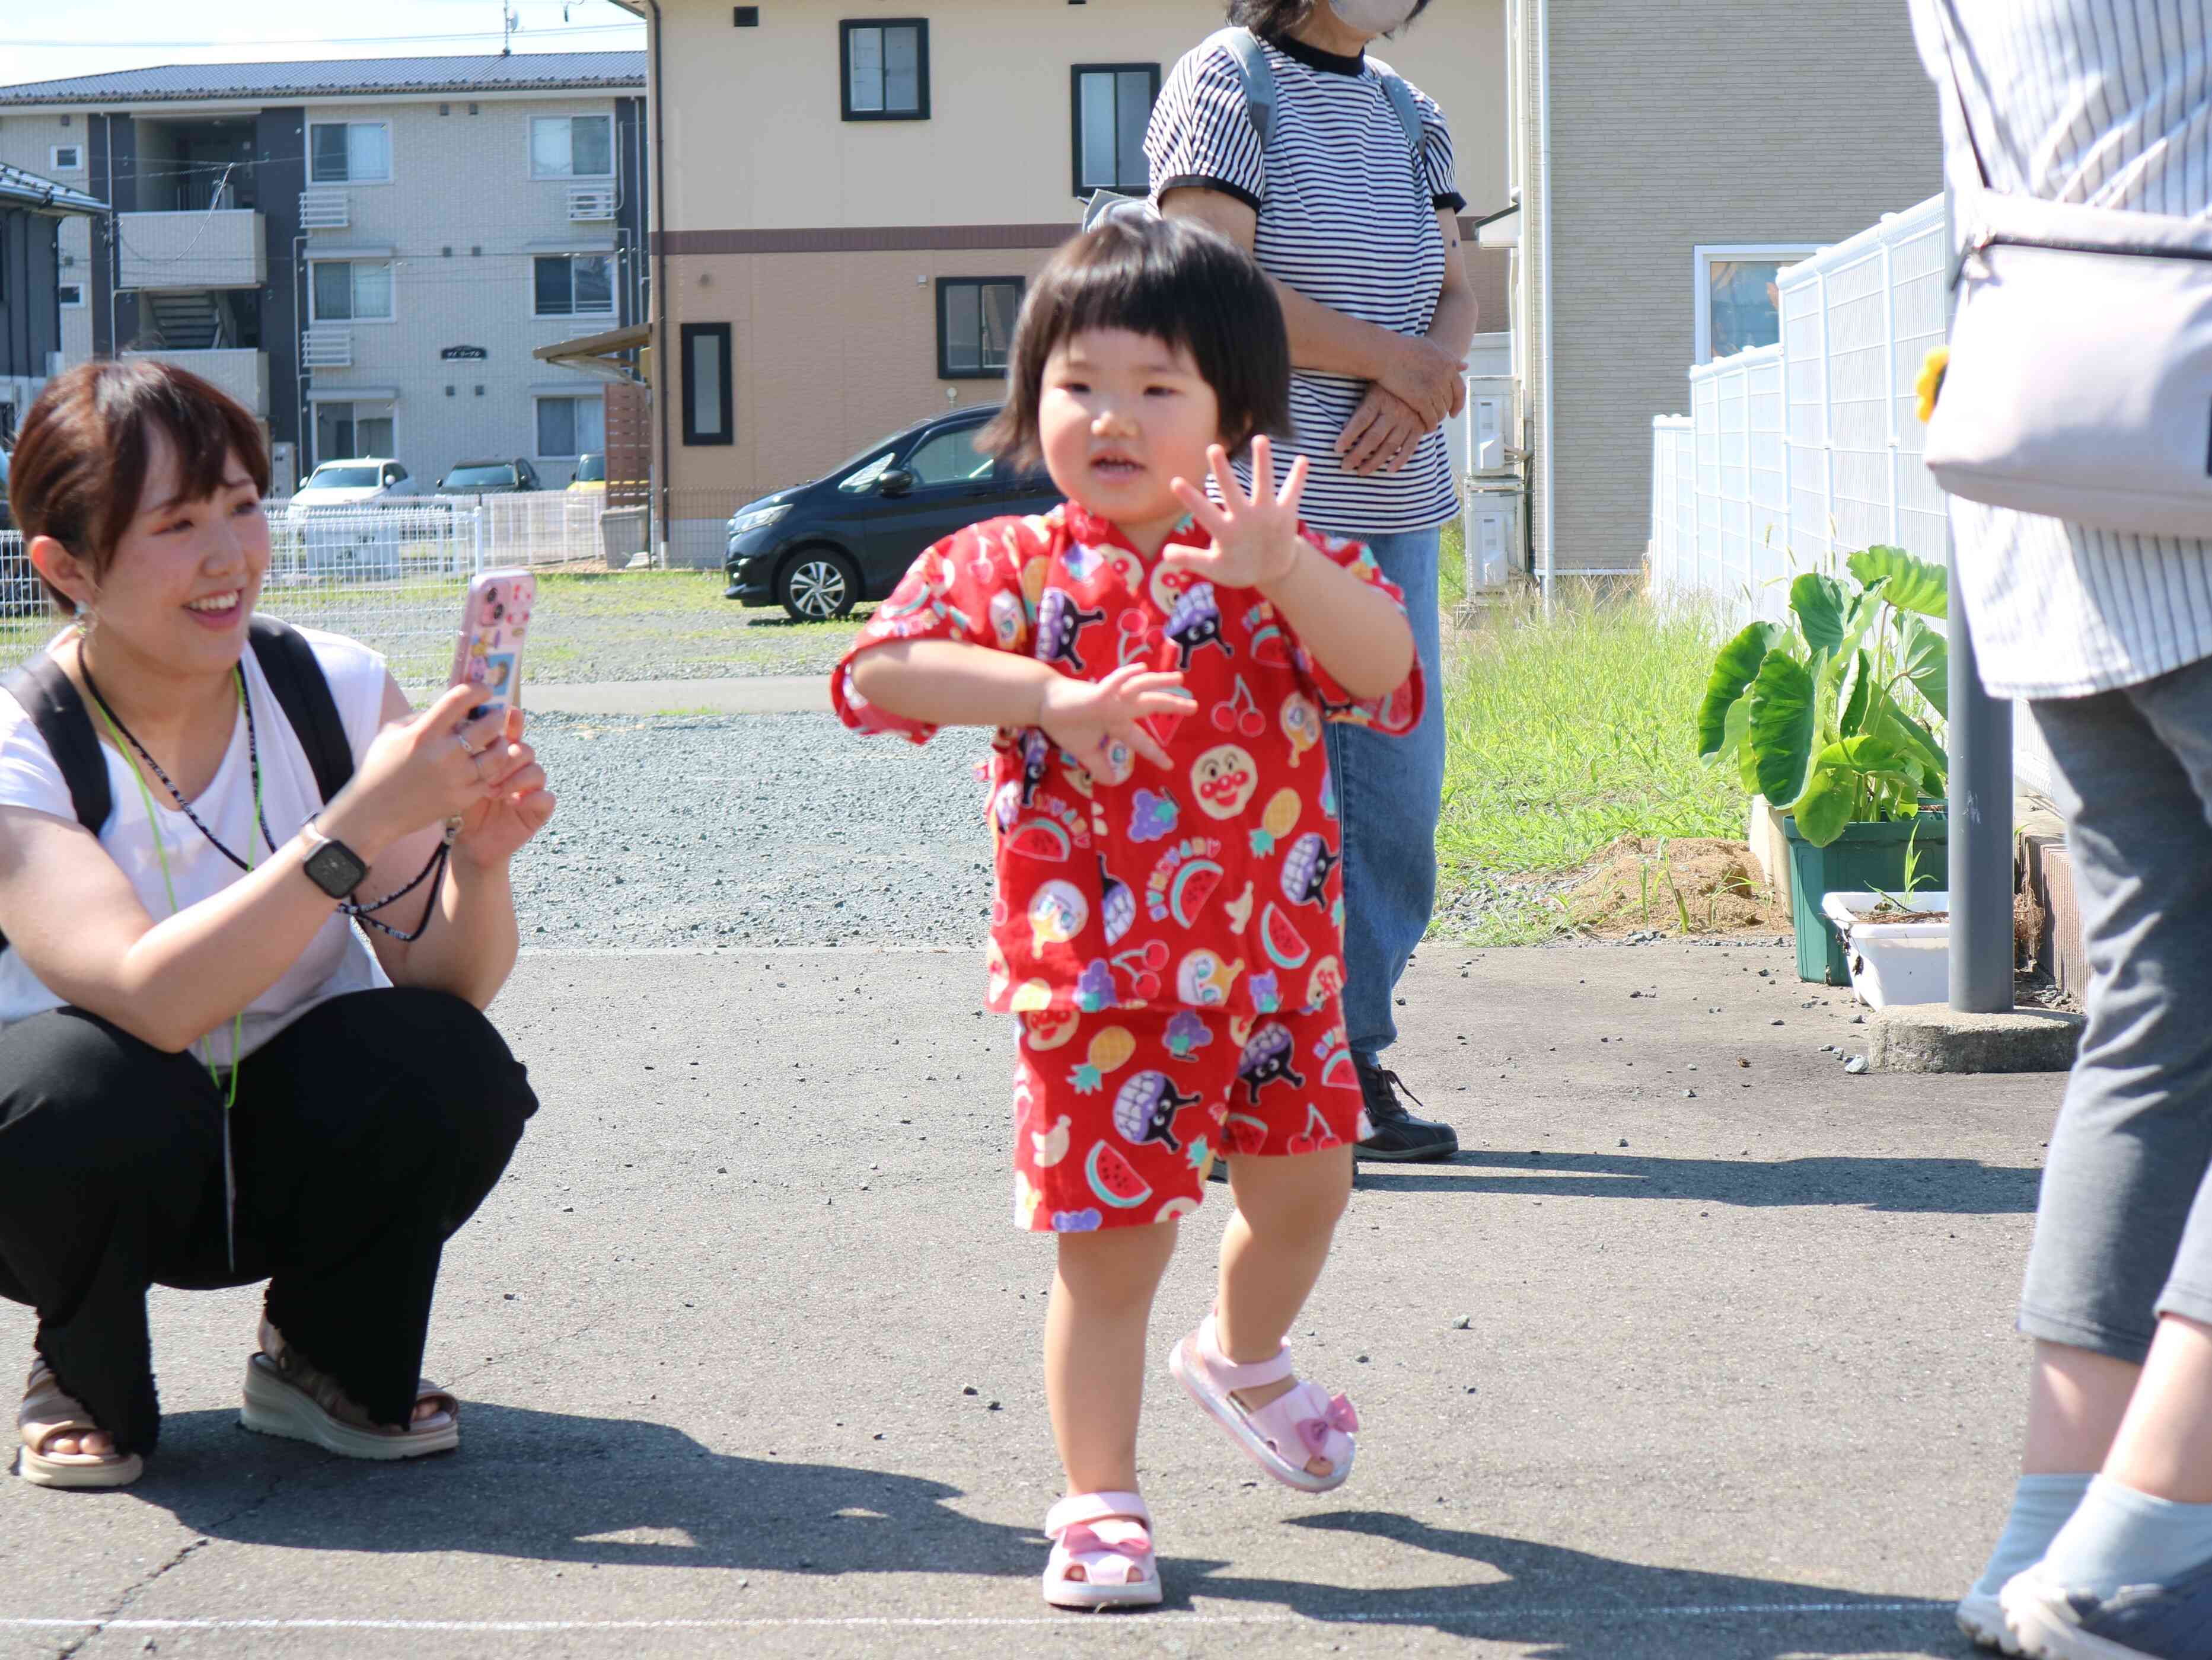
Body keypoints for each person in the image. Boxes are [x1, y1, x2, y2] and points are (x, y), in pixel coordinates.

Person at [831, 216, 1421, 1608]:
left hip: (1276, 969)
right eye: (1078, 383)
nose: (1112, 416)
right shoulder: (1010, 564)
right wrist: (1043, 695)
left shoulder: (1275, 554)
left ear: (1232, 412)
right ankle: (1098, 1499)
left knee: (1304, 1193)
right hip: (1091, 982)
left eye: (1157, 388)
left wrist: (1282, 567)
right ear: (1031, 400)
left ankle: (1242, 1355)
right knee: (1109, 1254)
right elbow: (880, 672)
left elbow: (1385, 668)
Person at [0, 360, 554, 1489]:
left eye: (245, 506)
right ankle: (83, 1364)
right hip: (85, 1164)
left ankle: (326, 1357)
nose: (227, 558)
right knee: (77, 1079)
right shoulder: (21, 741)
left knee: (447, 1059)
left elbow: (446, 982)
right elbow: (148, 994)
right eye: (175, 523)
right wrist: (359, 823)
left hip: (288, 1153)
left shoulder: (335, 691)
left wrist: (478, 868)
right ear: (67, 567)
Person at [1907, 4, 2212, 1656]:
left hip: (2054, 468)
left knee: (2166, 1009)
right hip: (2188, 440)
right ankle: (2147, 1551)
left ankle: (2056, 1524)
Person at [1146, 0, 1477, 1163]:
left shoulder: (1408, 110)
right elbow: (1206, 289)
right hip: (1256, 511)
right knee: (1251, 800)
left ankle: (1343, 1054)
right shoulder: (1224, 85)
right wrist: (1393, 359)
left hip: (1394, 507)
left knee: (1392, 800)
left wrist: (1424, 372)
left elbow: (1456, 279)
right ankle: (1236, 1072)